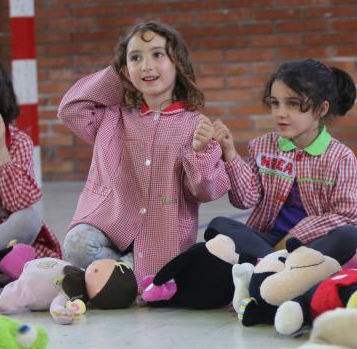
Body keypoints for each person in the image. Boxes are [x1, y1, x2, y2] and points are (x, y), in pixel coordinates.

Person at [58, 21, 229, 288]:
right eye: (136, 58)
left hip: (162, 237)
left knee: (161, 276)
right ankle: (119, 273)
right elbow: (70, 110)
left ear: (178, 64)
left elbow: (205, 191)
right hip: (111, 224)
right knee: (76, 245)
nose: (146, 65)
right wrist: (117, 75)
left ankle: (114, 276)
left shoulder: (196, 126)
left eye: (158, 54)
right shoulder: (112, 117)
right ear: (126, 71)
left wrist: (200, 151)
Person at [204, 59, 357, 265]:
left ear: (322, 109)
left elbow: (346, 215)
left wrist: (293, 238)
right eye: (275, 103)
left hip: (311, 244)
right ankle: (282, 268)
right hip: (266, 239)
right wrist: (230, 153)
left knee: (349, 236)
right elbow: (245, 200)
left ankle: (268, 265)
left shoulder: (341, 157)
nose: (280, 113)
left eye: (293, 104)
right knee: (218, 226)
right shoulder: (262, 146)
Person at [0, 55, 61, 292]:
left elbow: (19, 203)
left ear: (1, 95)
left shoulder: (18, 142)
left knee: (29, 218)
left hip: (8, 240)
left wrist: (1, 150)